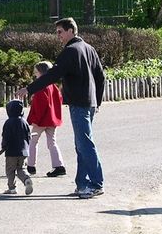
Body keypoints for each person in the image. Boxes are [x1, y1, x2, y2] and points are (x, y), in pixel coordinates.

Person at [16, 18, 105, 199]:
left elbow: (52, 76)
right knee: (81, 144)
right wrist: (98, 102)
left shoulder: (70, 51)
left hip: (79, 104)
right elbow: (101, 77)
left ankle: (96, 183)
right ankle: (82, 184)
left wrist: (29, 89)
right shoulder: (89, 48)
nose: (58, 36)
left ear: (71, 30)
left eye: (60, 32)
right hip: (90, 103)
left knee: (84, 144)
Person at [26, 61, 66, 178]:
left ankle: (31, 165)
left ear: (42, 73)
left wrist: (35, 119)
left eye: (36, 72)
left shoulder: (40, 87)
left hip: (41, 120)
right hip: (52, 120)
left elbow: (40, 105)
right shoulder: (54, 87)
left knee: (33, 141)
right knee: (52, 142)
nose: (35, 75)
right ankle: (59, 165)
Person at [1, 99, 33, 195]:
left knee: (10, 170)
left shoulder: (8, 122)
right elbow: (29, 136)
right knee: (21, 169)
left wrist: (4, 146)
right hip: (23, 151)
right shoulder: (24, 122)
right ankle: (26, 179)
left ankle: (12, 188)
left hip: (11, 152)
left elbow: (5, 136)